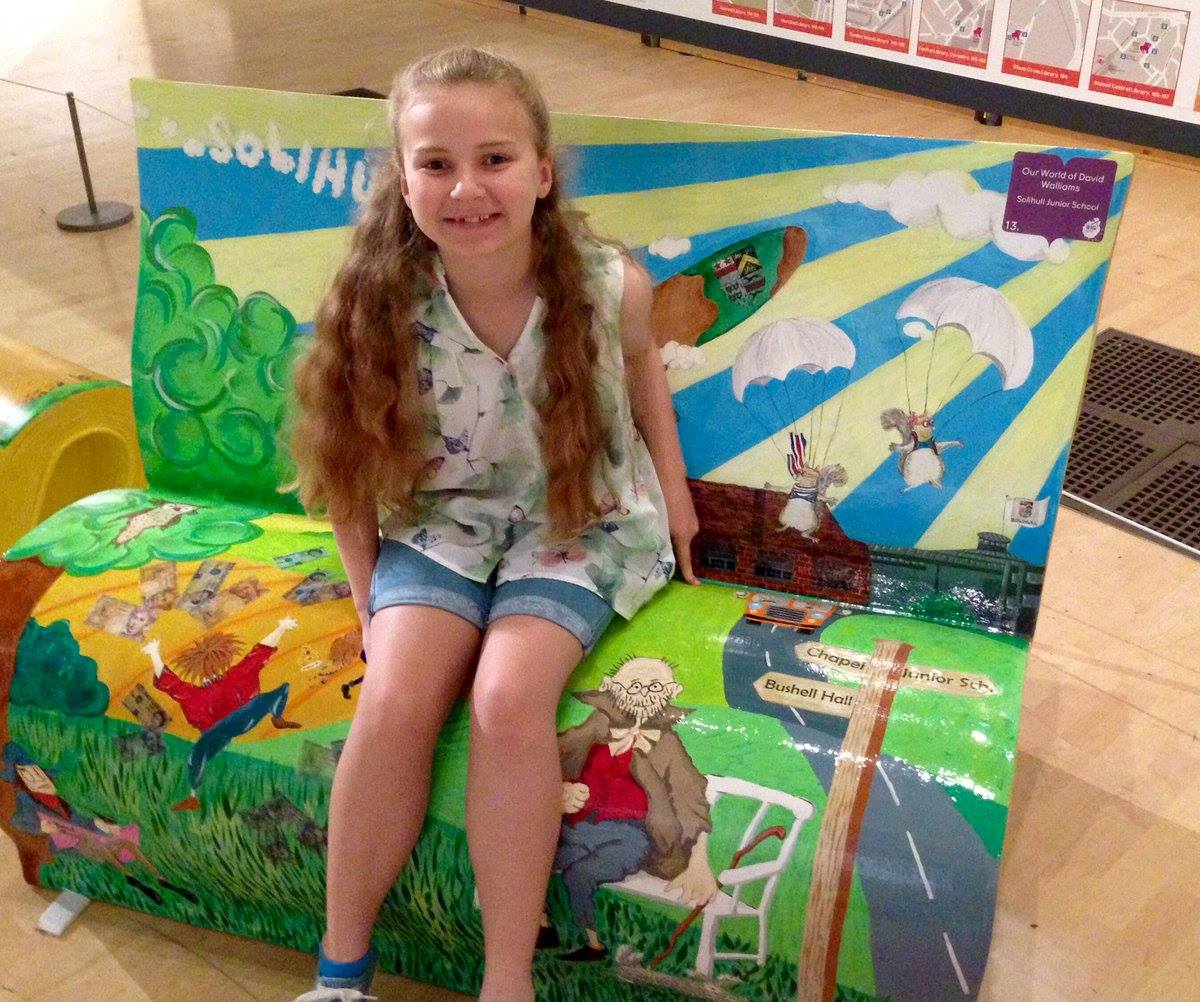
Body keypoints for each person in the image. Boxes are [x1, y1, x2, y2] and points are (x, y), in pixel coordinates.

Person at [287, 46, 700, 1002]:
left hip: (580, 522)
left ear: (544, 172)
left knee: (509, 702)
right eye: (435, 164)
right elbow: (345, 463)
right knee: (392, 698)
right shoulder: (373, 301)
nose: (467, 188)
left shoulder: (609, 287)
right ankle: (341, 973)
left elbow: (643, 377)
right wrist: (368, 599)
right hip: (443, 524)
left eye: (496, 159)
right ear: (403, 177)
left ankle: (504, 981)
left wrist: (674, 496)